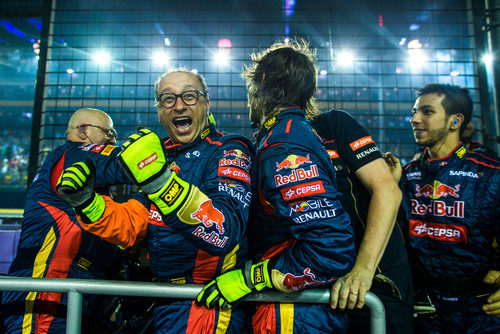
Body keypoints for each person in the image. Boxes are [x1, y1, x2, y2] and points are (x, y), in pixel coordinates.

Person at [57, 68, 253, 333]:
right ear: (159, 112)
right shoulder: (162, 157)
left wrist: (161, 184)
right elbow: (130, 225)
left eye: (190, 96)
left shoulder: (229, 149)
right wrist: (86, 203)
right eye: (167, 99)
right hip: (162, 298)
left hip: (208, 302)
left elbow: (224, 231)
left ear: (207, 103)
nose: (179, 105)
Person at [196, 40, 356, 333]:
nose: (247, 99)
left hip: (293, 314)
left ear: (263, 82)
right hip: (293, 309)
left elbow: (331, 250)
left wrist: (252, 278)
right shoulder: (289, 133)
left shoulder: (284, 145)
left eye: (249, 88)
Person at [1, 108, 130, 333]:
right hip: (47, 286)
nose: (114, 139)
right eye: (109, 132)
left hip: (76, 284)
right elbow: (125, 164)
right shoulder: (75, 153)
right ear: (83, 131)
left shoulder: (80, 169)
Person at [385, 83, 500, 333]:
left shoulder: (491, 173)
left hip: (481, 314)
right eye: (415, 111)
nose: (414, 119)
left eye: (427, 112)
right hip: (422, 311)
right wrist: (389, 187)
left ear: (455, 121)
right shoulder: (407, 175)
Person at [311, 109, 414, 333]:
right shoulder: (266, 141)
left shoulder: (332, 124)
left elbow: (388, 191)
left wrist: (363, 270)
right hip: (324, 286)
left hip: (375, 281)